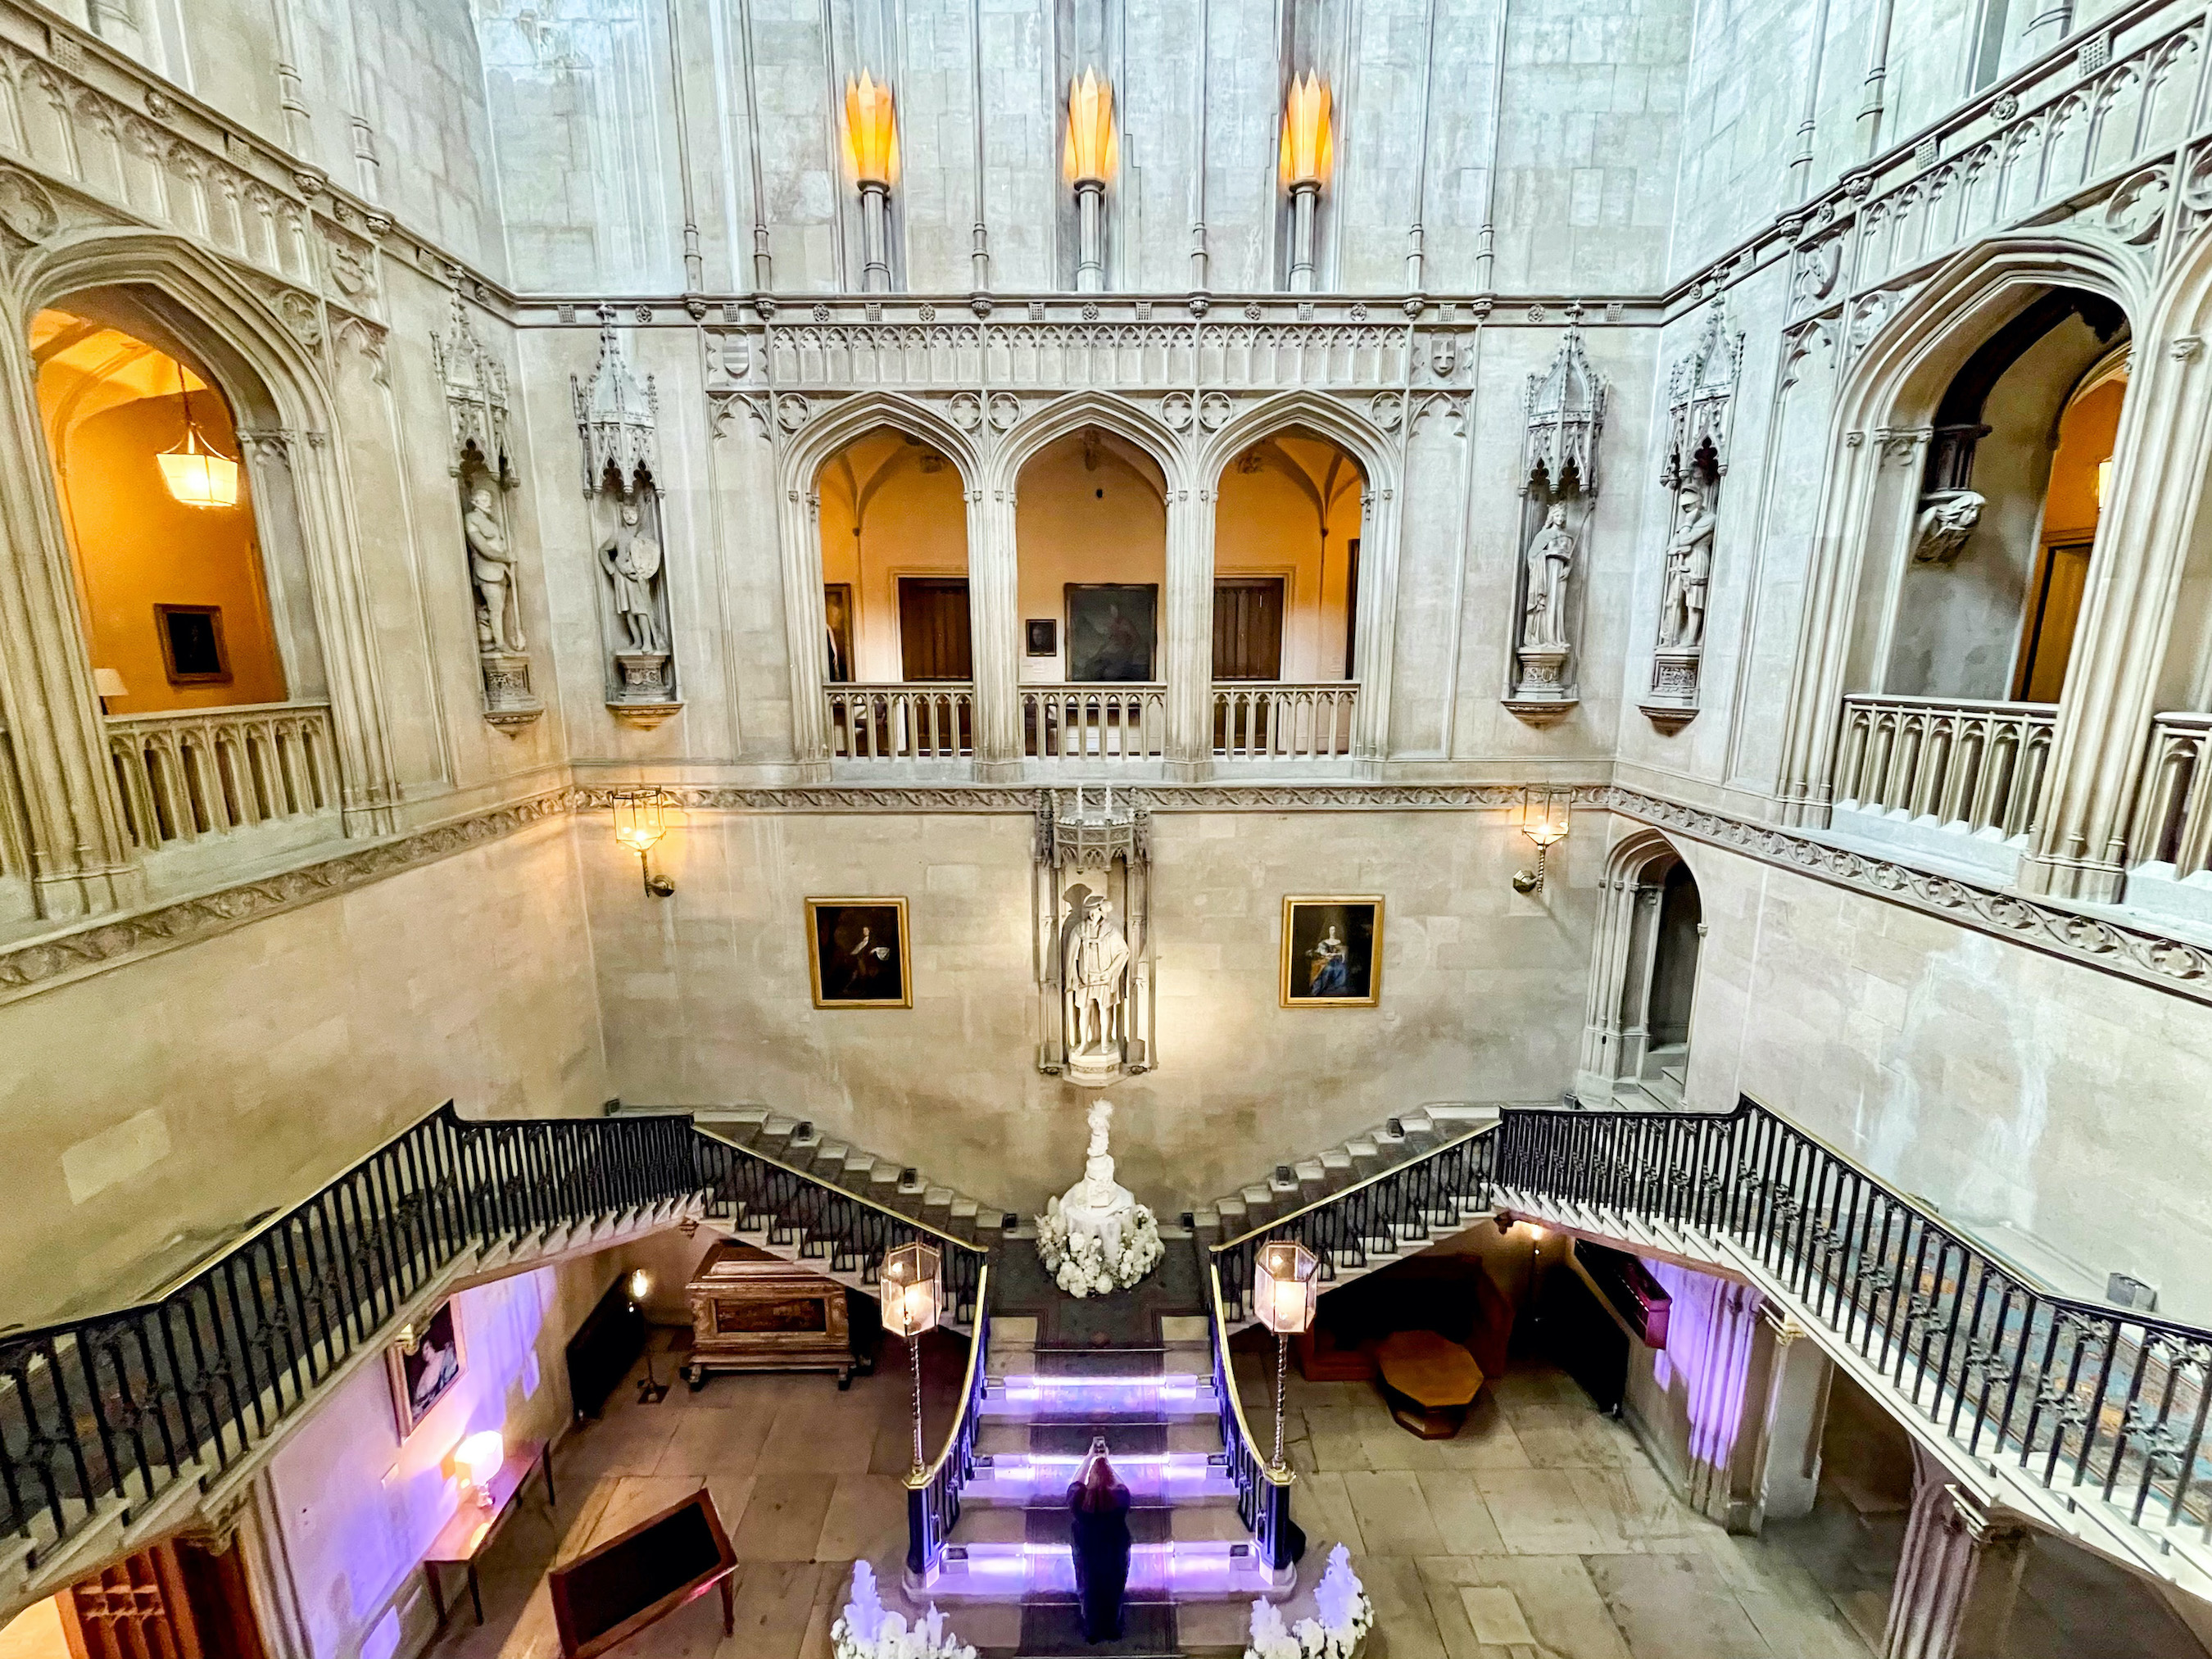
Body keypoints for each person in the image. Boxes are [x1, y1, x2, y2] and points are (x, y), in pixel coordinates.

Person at [1067, 1445, 1131, 1642]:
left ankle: (1092, 1628)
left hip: (1087, 1552)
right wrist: (1107, 1463)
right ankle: (1112, 1627)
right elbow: (1121, 1486)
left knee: (1088, 1588)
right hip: (1115, 1552)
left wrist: (1089, 1458)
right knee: (1114, 1587)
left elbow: (1074, 1482)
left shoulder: (1079, 1501)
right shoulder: (1119, 1499)